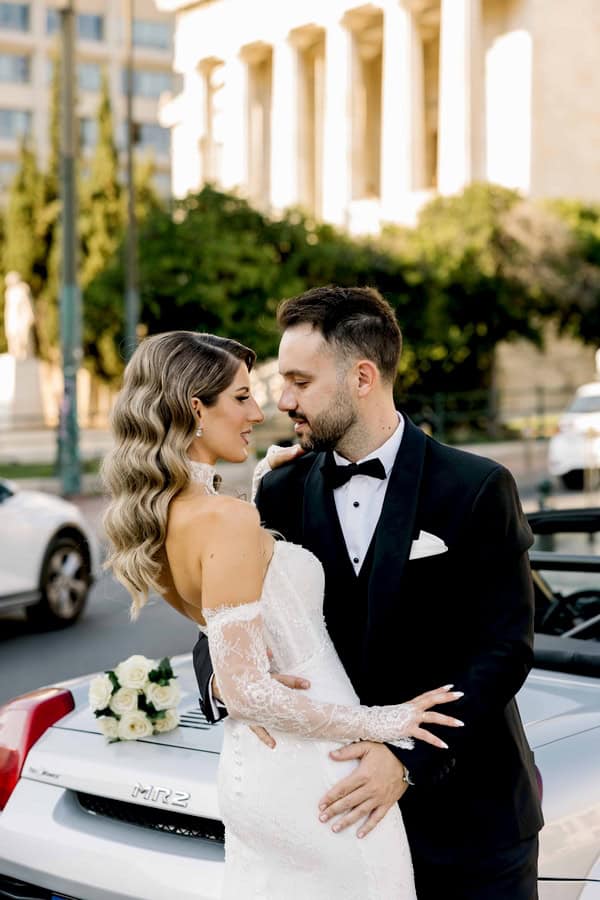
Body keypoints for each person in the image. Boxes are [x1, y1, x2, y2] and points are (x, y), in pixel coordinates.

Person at [194, 286, 544, 899]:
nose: (283, 400)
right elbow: (226, 622)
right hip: (329, 824)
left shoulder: (478, 487)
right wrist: (226, 682)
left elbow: (504, 650)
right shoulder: (276, 494)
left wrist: (405, 758)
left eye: (301, 382)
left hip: (469, 823)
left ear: (362, 376)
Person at [102, 329, 463, 900]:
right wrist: (387, 722)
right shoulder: (228, 521)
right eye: (243, 397)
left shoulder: (168, 516)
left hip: (257, 767)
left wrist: (259, 487)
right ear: (197, 408)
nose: (261, 410)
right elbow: (245, 688)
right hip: (327, 770)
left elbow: (243, 600)